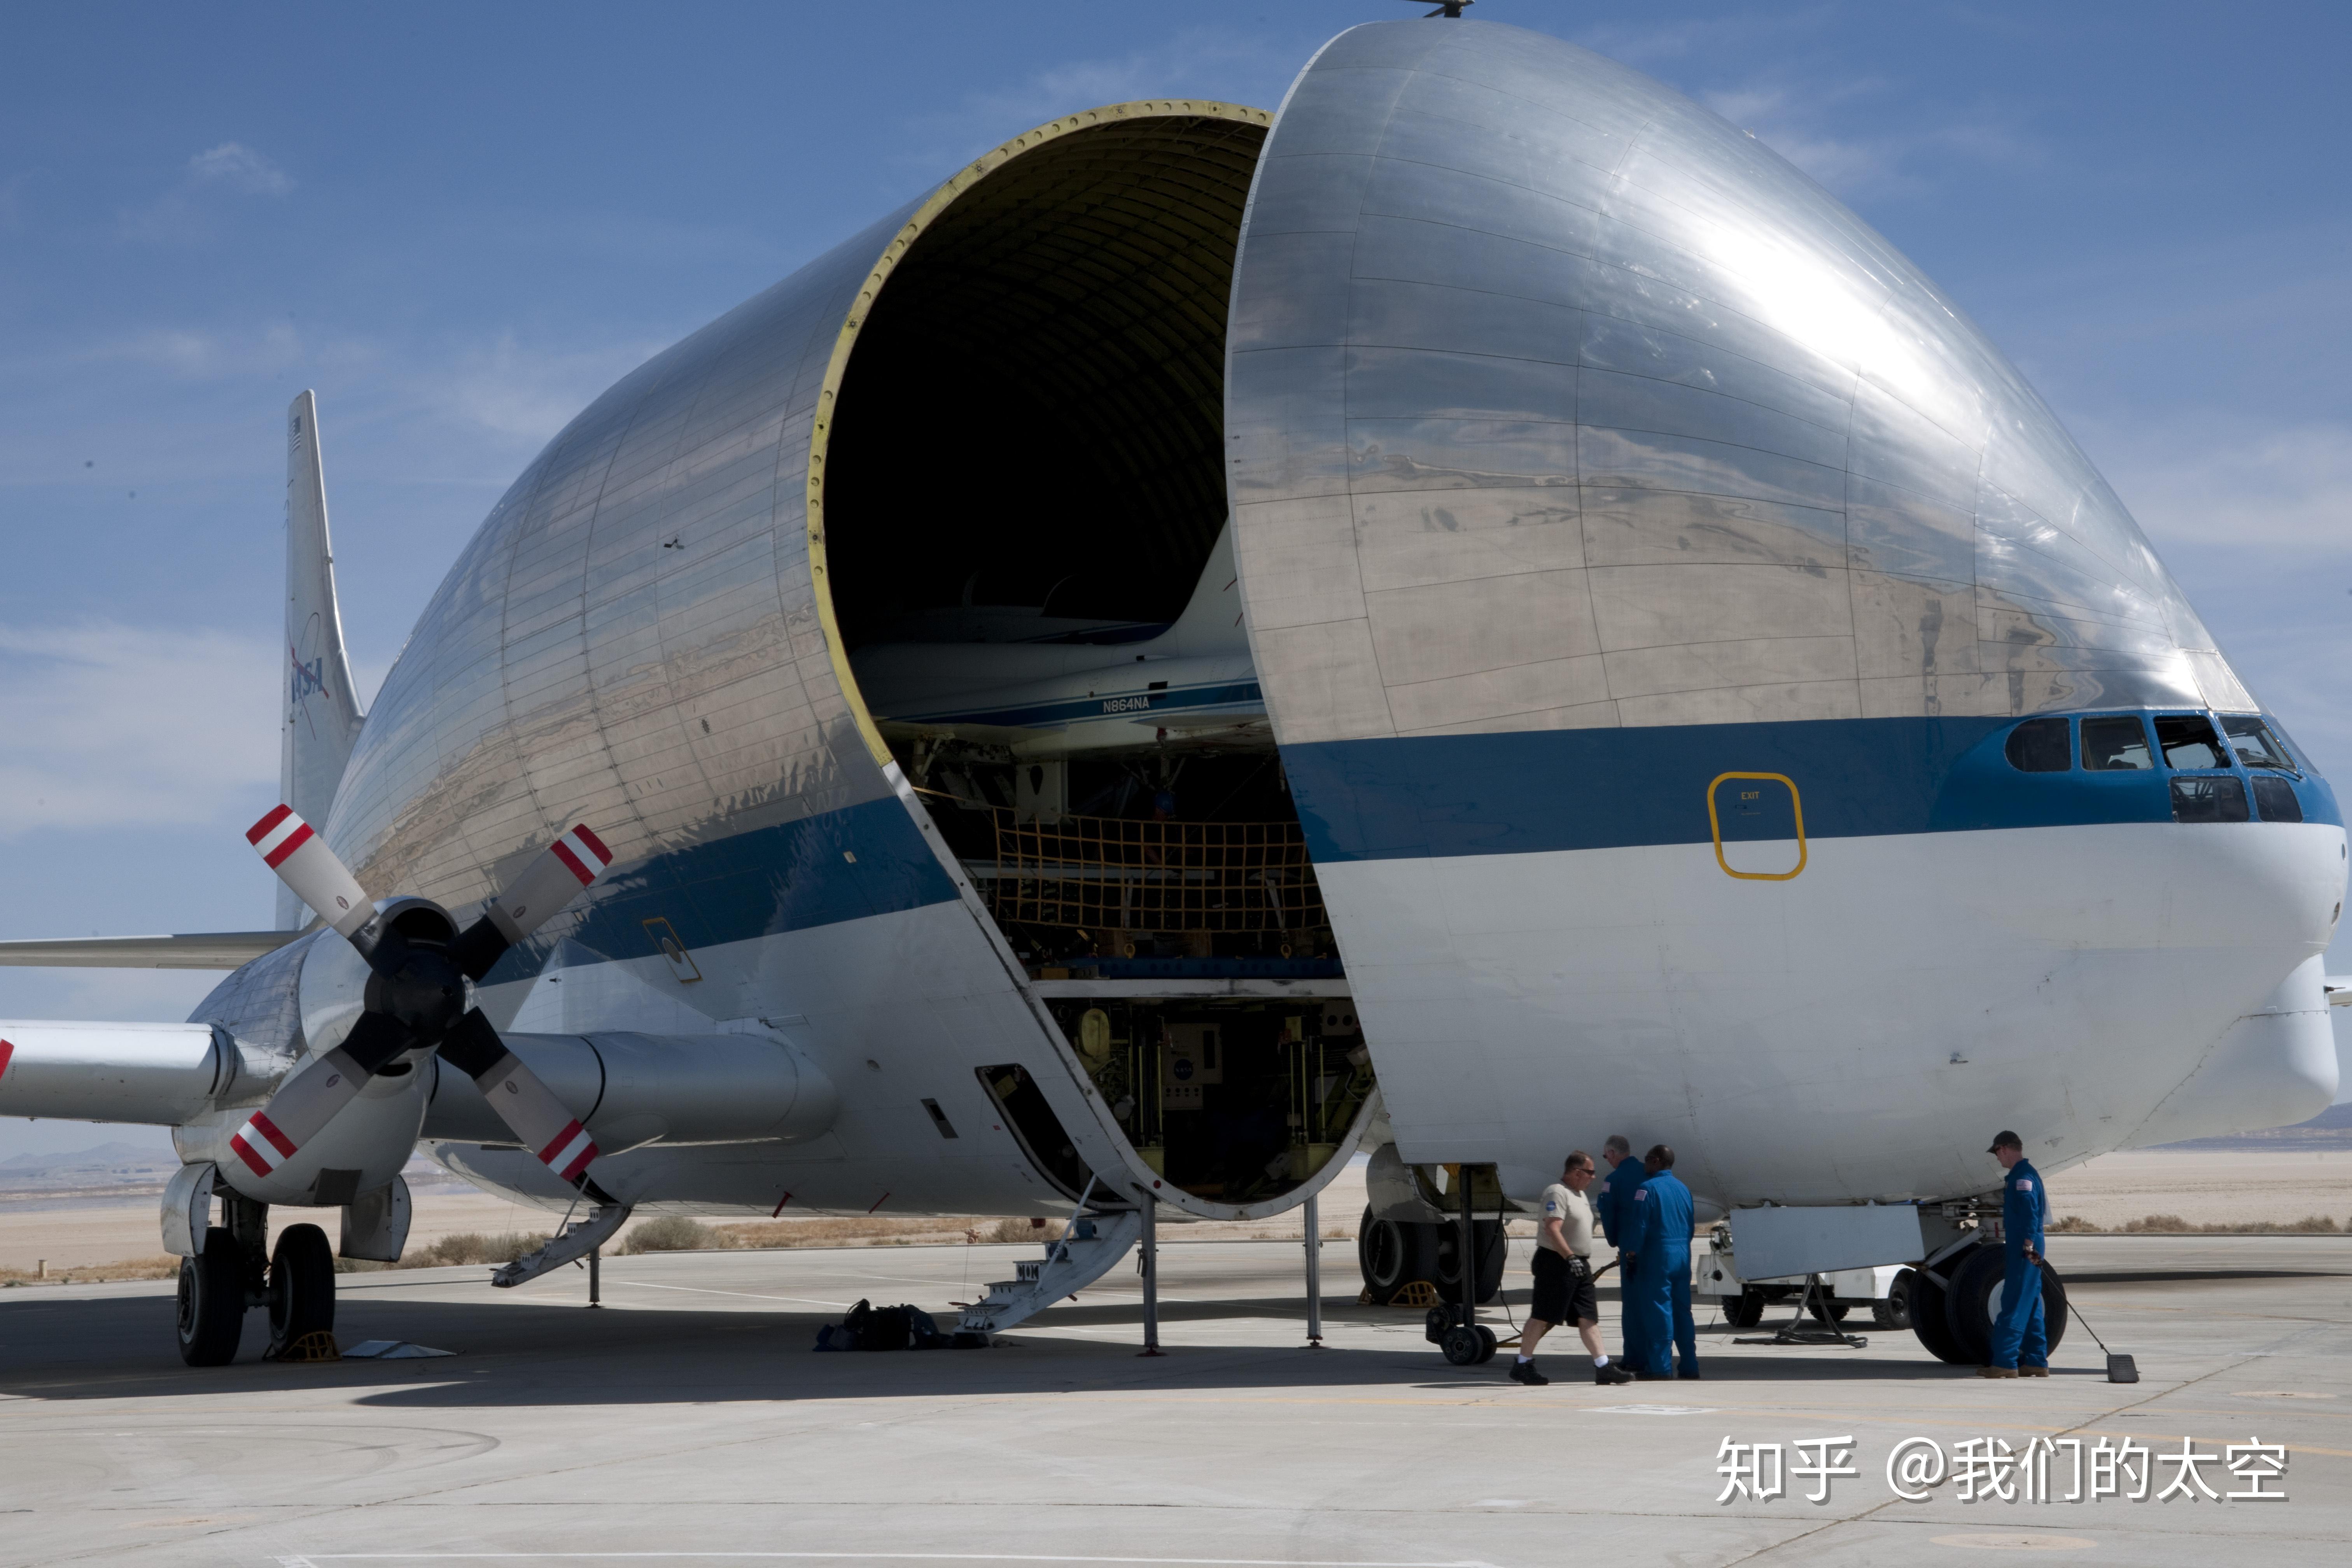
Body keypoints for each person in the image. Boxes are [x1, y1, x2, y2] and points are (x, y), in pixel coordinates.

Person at [1512, 1151, 1634, 1387]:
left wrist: (1578, 1260)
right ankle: (1523, 1364)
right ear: (1577, 1172)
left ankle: (1603, 1366)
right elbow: (1552, 1228)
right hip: (1557, 1262)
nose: (1594, 1177)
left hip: (1578, 1264)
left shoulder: (1579, 1194)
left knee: (1588, 1316)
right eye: (1590, 1172)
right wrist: (1569, 1257)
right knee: (1542, 1315)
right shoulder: (1557, 1192)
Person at [1626, 1143, 1699, 1380]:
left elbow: (1640, 1226)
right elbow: (1690, 1224)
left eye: (1647, 1159)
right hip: (1682, 1253)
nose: (1644, 1164)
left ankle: (1660, 1367)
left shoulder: (1646, 1189)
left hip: (1658, 1255)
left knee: (1659, 1310)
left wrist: (1632, 1253)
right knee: (1682, 1311)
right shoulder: (1684, 1189)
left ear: (1656, 1161)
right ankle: (1690, 1366)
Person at [1984, 1130, 2050, 1378]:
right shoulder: (2022, 1174)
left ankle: (2005, 1362)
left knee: (2013, 1301)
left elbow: (2030, 1212)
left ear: (2003, 1149)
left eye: (1997, 1154)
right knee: (2031, 1303)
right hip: (2028, 1246)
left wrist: (2029, 1245)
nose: (1998, 1160)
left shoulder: (2023, 1177)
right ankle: (2036, 1361)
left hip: (2024, 1247)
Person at [1594, 1135, 1648, 1371]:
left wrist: (1614, 1240)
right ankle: (1658, 1357)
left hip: (1630, 1248)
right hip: (1654, 1247)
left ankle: (1634, 1358)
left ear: (1613, 1154)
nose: (1607, 1161)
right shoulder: (1650, 1173)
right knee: (1656, 1303)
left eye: (1606, 1156)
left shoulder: (1612, 1180)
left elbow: (1607, 1212)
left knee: (1633, 1306)